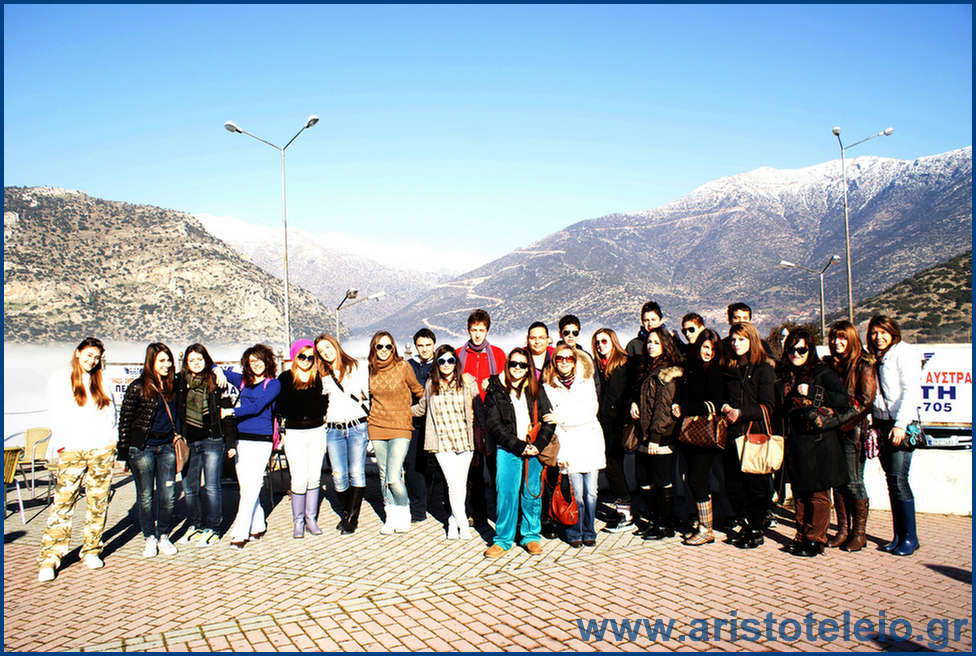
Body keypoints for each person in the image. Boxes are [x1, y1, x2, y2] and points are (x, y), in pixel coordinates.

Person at [37, 338, 117, 582]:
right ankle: (51, 557)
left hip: (100, 449)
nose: (92, 361)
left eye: (96, 357)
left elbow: (111, 412)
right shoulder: (60, 379)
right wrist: (61, 444)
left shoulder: (103, 379)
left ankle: (92, 549)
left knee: (98, 502)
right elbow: (56, 413)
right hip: (72, 449)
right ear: (77, 353)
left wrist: (111, 441)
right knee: (63, 502)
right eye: (89, 355)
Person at [777, 328, 851, 557]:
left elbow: (843, 400)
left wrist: (813, 392)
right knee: (800, 491)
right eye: (792, 350)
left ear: (810, 350)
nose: (796, 354)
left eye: (802, 350)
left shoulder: (822, 372)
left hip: (819, 441)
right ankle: (802, 535)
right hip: (797, 439)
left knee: (818, 493)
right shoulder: (787, 374)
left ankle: (816, 539)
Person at [483, 347, 556, 556]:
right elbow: (494, 425)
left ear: (528, 368)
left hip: (533, 449)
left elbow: (548, 420)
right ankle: (503, 539)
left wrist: (538, 445)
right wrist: (518, 446)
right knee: (506, 494)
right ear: (507, 365)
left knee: (531, 493)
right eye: (514, 363)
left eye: (522, 365)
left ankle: (530, 536)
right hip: (509, 450)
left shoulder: (536, 390)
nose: (517, 368)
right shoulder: (496, 390)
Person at [118, 342, 181, 558]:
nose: (167, 364)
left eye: (169, 360)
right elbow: (125, 421)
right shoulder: (138, 387)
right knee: (145, 497)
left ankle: (163, 535)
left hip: (167, 448)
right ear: (151, 362)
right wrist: (123, 454)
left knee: (168, 495)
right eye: (162, 360)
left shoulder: (173, 386)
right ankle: (149, 537)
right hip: (143, 448)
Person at [868, 315, 923, 557]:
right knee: (892, 481)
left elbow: (911, 391)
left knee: (900, 479)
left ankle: (910, 536)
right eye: (874, 333)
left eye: (883, 332)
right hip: (881, 422)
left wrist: (900, 424)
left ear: (893, 332)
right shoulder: (877, 357)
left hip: (901, 423)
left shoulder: (904, 353)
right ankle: (898, 535)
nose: (878, 337)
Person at [411, 345, 479, 540]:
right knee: (451, 483)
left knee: (461, 484)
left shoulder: (467, 382)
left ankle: (452, 520)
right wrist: (398, 411)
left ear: (456, 362)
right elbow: (421, 408)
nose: (446, 364)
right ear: (437, 364)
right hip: (442, 443)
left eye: (450, 360)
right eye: (442, 361)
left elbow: (479, 410)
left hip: (464, 441)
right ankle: (463, 523)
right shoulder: (431, 384)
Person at [542, 344, 606, 548]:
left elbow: (590, 412)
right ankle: (574, 530)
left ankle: (589, 530)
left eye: (568, 358)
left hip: (590, 442)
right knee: (574, 493)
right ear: (554, 361)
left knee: (591, 492)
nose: (564, 362)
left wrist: (562, 417)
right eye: (559, 358)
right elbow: (552, 422)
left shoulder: (585, 381)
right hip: (568, 445)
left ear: (575, 360)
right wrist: (560, 454)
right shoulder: (549, 386)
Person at [719, 322, 776, 549]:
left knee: (756, 487)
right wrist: (725, 407)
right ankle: (745, 524)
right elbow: (723, 396)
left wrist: (741, 413)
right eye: (733, 339)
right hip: (732, 435)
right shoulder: (730, 368)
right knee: (735, 485)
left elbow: (768, 406)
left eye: (741, 339)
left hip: (754, 436)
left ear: (751, 340)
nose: (736, 344)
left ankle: (756, 528)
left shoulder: (763, 369)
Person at [220, 344, 281, 550]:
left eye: (259, 360)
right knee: (246, 486)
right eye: (252, 361)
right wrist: (216, 371)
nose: (256, 364)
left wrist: (231, 412)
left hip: (261, 440)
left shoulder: (273, 384)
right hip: (241, 439)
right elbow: (217, 368)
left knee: (252, 485)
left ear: (267, 361)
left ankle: (240, 532)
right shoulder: (243, 381)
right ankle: (258, 524)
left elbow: (257, 407)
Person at [823, 320, 877, 552]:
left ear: (852, 339)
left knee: (854, 482)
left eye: (842, 338)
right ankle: (843, 530)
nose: (837, 342)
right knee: (838, 482)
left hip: (853, 431)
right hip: (833, 430)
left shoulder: (864, 363)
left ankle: (859, 533)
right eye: (834, 338)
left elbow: (865, 402)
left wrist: (840, 420)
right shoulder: (832, 364)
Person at [629, 326, 684, 540]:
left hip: (660, 436)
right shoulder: (646, 367)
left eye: (656, 342)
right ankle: (653, 520)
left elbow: (663, 408)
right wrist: (633, 403)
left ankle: (665, 524)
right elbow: (641, 396)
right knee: (644, 479)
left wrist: (655, 437)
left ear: (665, 345)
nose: (651, 346)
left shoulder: (667, 372)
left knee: (662, 480)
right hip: (644, 432)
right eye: (649, 342)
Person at [671, 329, 724, 546]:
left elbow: (716, 403)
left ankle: (706, 528)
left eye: (712, 349)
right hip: (689, 433)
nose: (708, 352)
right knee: (692, 479)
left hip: (705, 434)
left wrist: (685, 408)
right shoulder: (691, 368)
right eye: (705, 347)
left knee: (698, 479)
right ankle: (702, 524)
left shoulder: (715, 371)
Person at [367, 331, 424, 534]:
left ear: (394, 348)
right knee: (383, 475)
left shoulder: (403, 367)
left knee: (393, 476)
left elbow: (419, 391)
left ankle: (404, 511)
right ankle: (390, 517)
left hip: (400, 427)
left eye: (388, 346)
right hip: (377, 426)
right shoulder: (371, 369)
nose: (384, 350)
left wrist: (413, 412)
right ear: (374, 348)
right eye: (380, 346)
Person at [315, 333, 370, 535]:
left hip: (357, 426)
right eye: (321, 351)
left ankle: (351, 519)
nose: (326, 352)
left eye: (327, 347)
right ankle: (346, 512)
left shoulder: (356, 366)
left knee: (356, 472)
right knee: (338, 475)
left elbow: (366, 394)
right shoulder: (322, 374)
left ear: (335, 345)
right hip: (333, 428)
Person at [456, 309, 507, 526]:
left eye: (481, 330)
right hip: (468, 419)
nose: (477, 334)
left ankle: (500, 512)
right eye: (474, 330)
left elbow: (505, 385)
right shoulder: (459, 354)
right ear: (468, 330)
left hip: (492, 418)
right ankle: (477, 513)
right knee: (473, 469)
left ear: (487, 331)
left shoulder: (498, 354)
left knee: (496, 468)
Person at [175, 343, 227, 547]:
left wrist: (217, 369)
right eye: (192, 360)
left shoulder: (215, 380)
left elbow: (227, 408)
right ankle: (194, 524)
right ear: (186, 363)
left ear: (206, 360)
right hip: (189, 441)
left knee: (212, 487)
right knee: (190, 488)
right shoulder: (180, 381)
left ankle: (213, 528)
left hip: (212, 439)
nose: (196, 363)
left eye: (200, 359)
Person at [276, 339, 329, 539]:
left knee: (314, 476)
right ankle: (298, 521)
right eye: (301, 356)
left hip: (317, 431)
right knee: (298, 478)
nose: (306, 360)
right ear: (294, 356)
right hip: (294, 433)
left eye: (310, 357)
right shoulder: (285, 378)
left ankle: (311, 519)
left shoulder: (319, 377)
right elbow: (279, 405)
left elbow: (326, 401)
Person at [591, 328, 633, 533]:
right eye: (597, 342)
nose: (600, 346)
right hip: (606, 424)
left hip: (616, 425)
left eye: (604, 341)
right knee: (611, 468)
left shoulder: (622, 364)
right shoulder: (602, 365)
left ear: (613, 341)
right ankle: (622, 510)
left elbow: (617, 397)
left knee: (614, 468)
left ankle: (626, 514)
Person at [406, 328, 437, 522]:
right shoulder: (408, 366)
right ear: (415, 346)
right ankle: (418, 510)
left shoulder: (441, 364)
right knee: (413, 465)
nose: (424, 349)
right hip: (414, 422)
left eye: (428, 345)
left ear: (434, 345)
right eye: (420, 345)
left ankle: (433, 502)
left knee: (432, 466)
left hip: (435, 423)